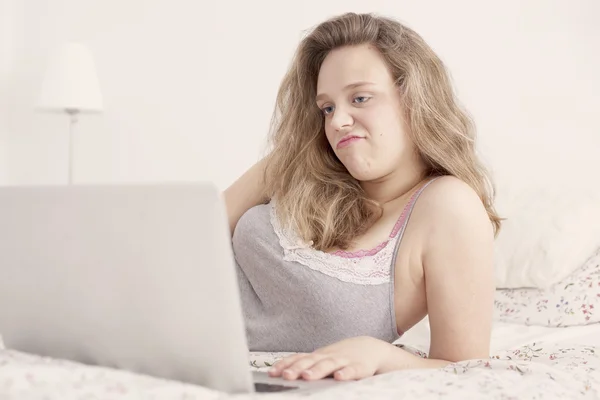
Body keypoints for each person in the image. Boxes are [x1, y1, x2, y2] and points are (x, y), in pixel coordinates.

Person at [224, 12, 501, 382]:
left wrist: (379, 354)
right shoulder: (294, 167)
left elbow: (465, 369)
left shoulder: (448, 207)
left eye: (360, 97)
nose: (337, 121)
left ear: (414, 98)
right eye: (328, 107)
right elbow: (191, 233)